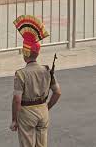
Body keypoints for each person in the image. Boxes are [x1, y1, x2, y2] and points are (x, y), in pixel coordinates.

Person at [10, 15, 61, 147]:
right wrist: (46, 107)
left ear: (25, 53)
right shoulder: (47, 70)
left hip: (27, 113)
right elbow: (57, 93)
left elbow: (17, 99)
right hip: (43, 111)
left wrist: (14, 120)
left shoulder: (21, 74)